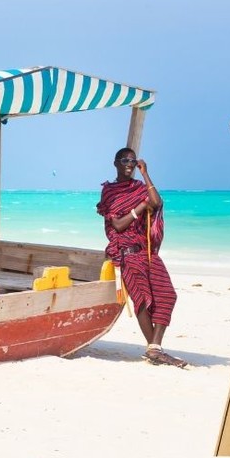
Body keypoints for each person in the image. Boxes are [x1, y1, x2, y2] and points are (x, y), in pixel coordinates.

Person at [96, 147, 187, 368]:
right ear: (115, 163)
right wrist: (140, 207)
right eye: (125, 160)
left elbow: (156, 202)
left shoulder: (139, 187)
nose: (129, 163)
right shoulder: (109, 192)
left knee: (167, 295)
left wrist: (145, 174)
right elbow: (117, 224)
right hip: (126, 254)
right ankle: (155, 350)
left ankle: (154, 348)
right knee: (143, 300)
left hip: (147, 252)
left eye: (133, 160)